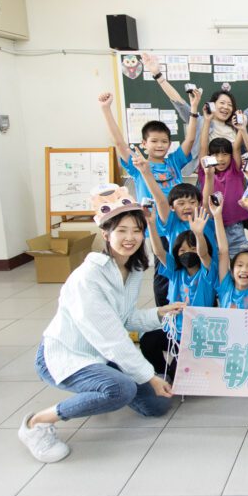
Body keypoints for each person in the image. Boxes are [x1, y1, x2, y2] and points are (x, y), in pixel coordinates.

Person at [18, 187, 186, 463]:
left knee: (157, 404)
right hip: (68, 354)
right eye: (122, 230)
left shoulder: (131, 269)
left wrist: (160, 312)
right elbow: (112, 338)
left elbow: (126, 319)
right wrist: (148, 375)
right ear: (106, 234)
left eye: (136, 230)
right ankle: (37, 423)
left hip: (104, 354)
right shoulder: (88, 277)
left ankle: (105, 387)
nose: (130, 238)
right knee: (123, 389)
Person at [142, 205, 216, 378]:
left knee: (180, 378)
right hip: (174, 331)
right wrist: (152, 225)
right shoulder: (175, 272)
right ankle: (161, 372)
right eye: (182, 250)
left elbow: (204, 254)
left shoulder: (207, 272)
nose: (187, 253)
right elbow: (159, 251)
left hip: (197, 338)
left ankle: (176, 372)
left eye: (192, 249)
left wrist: (198, 234)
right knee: (147, 341)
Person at [99, 89, 200, 203]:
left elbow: (190, 139)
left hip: (176, 218)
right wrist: (106, 109)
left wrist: (194, 108)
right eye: (154, 141)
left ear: (170, 144)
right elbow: (119, 143)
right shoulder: (139, 164)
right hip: (150, 219)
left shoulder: (174, 162)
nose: (160, 145)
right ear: (144, 143)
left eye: (164, 141)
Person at [198, 107, 248, 257]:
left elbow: (236, 147)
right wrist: (207, 121)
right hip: (211, 224)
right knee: (215, 264)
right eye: (215, 154)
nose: (221, 159)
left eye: (225, 154)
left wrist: (241, 128)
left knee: (240, 260)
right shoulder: (206, 170)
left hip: (234, 228)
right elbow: (202, 147)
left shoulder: (235, 170)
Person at [211, 200, 248, 310]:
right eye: (239, 265)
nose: (244, 269)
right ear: (232, 271)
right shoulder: (226, 287)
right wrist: (217, 216)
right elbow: (223, 251)